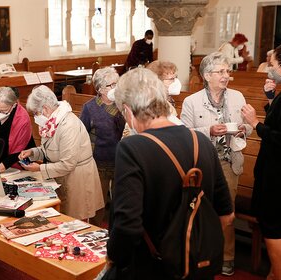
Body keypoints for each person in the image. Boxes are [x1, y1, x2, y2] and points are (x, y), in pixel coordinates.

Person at [103, 67, 233, 279]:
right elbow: (227, 216)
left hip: (152, 268)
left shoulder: (132, 147)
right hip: (196, 266)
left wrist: (114, 257)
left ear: (128, 110)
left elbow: (127, 226)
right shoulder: (201, 142)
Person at [180, 52, 253, 276]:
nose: (226, 76)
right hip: (203, 165)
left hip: (229, 162)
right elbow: (184, 134)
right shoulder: (191, 102)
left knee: (226, 213)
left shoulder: (238, 96)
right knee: (200, 212)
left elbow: (247, 127)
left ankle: (227, 256)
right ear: (207, 75)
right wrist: (208, 131)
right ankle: (203, 254)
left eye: (227, 71)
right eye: (221, 72)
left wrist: (244, 129)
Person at [18, 85, 104, 221]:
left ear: (45, 109)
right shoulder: (51, 122)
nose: (35, 117)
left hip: (77, 179)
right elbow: (50, 149)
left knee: (75, 221)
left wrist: (39, 168)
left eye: (35, 113)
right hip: (62, 175)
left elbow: (68, 163)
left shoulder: (68, 124)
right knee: (63, 217)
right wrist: (33, 152)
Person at [241, 45, 281, 280]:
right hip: (273, 171)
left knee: (273, 227)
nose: (269, 68)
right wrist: (271, 99)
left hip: (277, 175)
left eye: (273, 64)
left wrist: (255, 124)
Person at [79, 67, 125, 224]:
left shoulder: (124, 105)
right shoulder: (89, 108)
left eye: (117, 83)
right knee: (98, 204)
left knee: (120, 203)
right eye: (111, 85)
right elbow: (82, 134)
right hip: (99, 162)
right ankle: (96, 232)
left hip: (121, 161)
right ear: (100, 89)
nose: (116, 88)